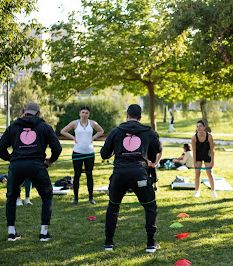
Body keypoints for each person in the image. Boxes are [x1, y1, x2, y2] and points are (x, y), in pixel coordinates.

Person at [0, 102, 62, 242]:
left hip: (17, 166)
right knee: (46, 196)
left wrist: (12, 159)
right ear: (38, 114)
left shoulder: (13, 126)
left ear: (24, 112)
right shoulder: (45, 126)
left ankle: (11, 233)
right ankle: (43, 233)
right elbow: (57, 148)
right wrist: (51, 161)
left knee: (11, 197)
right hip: (37, 165)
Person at [101, 104, 162, 253]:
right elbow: (158, 149)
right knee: (149, 207)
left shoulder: (116, 131)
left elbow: (104, 154)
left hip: (119, 175)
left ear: (127, 116)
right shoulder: (148, 132)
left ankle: (108, 243)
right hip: (139, 174)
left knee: (113, 207)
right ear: (140, 118)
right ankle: (150, 243)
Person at [60, 106, 104, 205]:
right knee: (77, 175)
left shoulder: (92, 123)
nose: (84, 114)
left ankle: (91, 198)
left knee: (89, 175)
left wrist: (93, 137)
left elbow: (101, 131)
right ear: (80, 113)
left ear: (89, 114)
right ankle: (76, 198)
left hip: (89, 153)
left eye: (86, 113)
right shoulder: (75, 123)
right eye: (83, 112)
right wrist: (73, 138)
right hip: (77, 152)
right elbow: (63, 131)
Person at [191, 120, 217, 198]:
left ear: (204, 127)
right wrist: (194, 162)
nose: (199, 128)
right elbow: (194, 150)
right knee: (197, 173)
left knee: (209, 173)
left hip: (207, 154)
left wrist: (212, 161)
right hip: (198, 155)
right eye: (197, 126)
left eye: (200, 126)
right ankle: (197, 191)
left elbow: (212, 149)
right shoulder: (194, 137)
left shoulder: (209, 137)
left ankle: (213, 191)